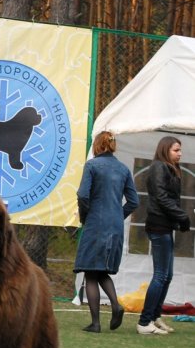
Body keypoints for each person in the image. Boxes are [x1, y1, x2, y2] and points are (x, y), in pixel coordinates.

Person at [73, 131, 139, 333]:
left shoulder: (92, 166)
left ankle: (95, 323)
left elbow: (83, 195)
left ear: (97, 146)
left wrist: (85, 216)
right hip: (115, 225)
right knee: (100, 269)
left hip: (96, 223)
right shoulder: (123, 169)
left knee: (91, 273)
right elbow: (134, 202)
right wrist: (118, 215)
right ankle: (116, 305)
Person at [137, 136, 190, 335]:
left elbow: (170, 198)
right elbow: (161, 197)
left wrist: (178, 219)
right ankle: (144, 322)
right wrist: (182, 216)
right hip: (158, 226)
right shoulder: (158, 167)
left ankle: (154, 316)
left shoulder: (170, 168)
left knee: (167, 276)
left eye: (180, 150)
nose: (180, 153)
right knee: (160, 275)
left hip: (166, 226)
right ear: (165, 150)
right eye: (176, 150)